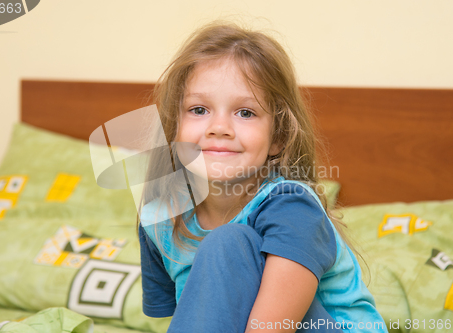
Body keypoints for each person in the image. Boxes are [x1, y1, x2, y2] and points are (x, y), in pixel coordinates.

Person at [137, 20, 387, 333]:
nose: (219, 128)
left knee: (228, 243)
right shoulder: (159, 218)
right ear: (173, 127)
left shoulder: (293, 208)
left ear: (278, 137)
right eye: (199, 109)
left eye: (245, 113)